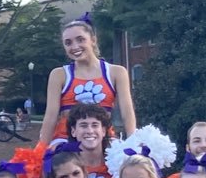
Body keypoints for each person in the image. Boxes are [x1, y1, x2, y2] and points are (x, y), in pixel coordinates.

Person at [37, 13, 136, 144]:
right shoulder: (59, 74)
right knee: (66, 163)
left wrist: (134, 143)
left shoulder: (116, 72)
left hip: (103, 137)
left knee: (122, 161)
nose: (74, 47)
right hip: (66, 139)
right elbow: (51, 116)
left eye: (80, 39)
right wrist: (40, 151)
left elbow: (127, 112)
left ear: (93, 40)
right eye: (68, 43)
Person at [67, 103, 123, 178]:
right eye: (83, 125)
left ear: (103, 131)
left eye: (95, 125)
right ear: (73, 131)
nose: (90, 131)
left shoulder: (121, 167)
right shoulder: (64, 171)